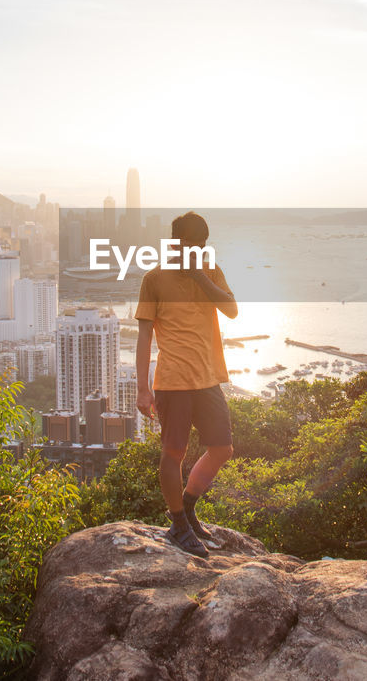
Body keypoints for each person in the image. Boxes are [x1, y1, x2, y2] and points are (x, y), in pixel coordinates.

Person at [134, 211, 237, 558]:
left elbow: (232, 310)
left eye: (202, 245)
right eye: (191, 244)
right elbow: (144, 336)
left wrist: (200, 276)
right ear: (175, 242)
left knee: (222, 449)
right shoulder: (154, 279)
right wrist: (142, 388)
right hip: (173, 380)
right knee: (173, 452)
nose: (197, 249)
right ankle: (177, 523)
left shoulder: (211, 272)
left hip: (208, 377)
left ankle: (188, 508)